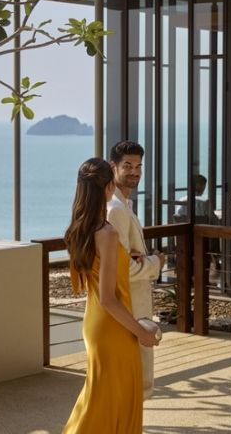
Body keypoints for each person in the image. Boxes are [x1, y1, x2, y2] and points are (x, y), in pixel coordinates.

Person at [62, 158, 159, 434]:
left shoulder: (79, 231)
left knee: (100, 397)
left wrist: (128, 258)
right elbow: (108, 297)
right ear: (107, 187)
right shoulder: (106, 233)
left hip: (94, 325)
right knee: (114, 400)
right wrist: (141, 330)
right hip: (111, 326)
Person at [107, 140, 164, 400]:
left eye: (139, 166)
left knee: (133, 384)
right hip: (127, 305)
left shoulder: (124, 206)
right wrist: (156, 263)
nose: (134, 172)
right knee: (132, 385)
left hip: (133, 305)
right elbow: (121, 269)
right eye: (127, 166)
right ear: (113, 167)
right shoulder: (116, 211)